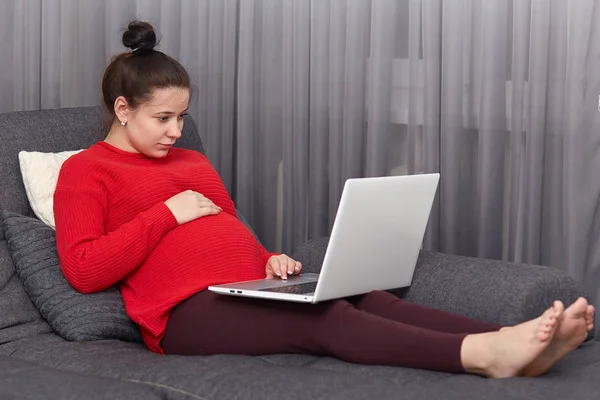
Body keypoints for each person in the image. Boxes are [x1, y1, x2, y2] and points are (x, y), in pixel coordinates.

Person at [54, 21, 594, 379]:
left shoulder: (192, 163)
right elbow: (83, 269)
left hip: (247, 287)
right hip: (183, 315)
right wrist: (166, 214)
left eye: (182, 117)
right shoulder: (86, 171)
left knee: (371, 297)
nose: (177, 131)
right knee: (327, 318)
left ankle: (516, 342)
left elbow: (231, 231)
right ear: (123, 109)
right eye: (163, 118)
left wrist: (266, 260)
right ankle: (485, 357)